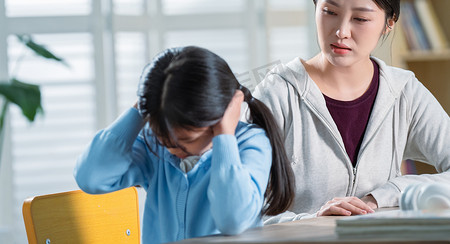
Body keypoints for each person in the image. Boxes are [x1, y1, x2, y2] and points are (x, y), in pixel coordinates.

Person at [253, 0, 450, 224]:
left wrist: (382, 197)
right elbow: (240, 207)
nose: (341, 31)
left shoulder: (404, 91)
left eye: (360, 18)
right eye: (329, 12)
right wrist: (310, 220)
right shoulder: (277, 94)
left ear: (389, 23)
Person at [74, 46, 295, 244]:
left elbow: (232, 219)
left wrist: (224, 137)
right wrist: (140, 111)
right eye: (164, 137)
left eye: (186, 141)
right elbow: (91, 178)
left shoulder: (249, 143)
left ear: (218, 119)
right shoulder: (154, 148)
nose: (171, 149)